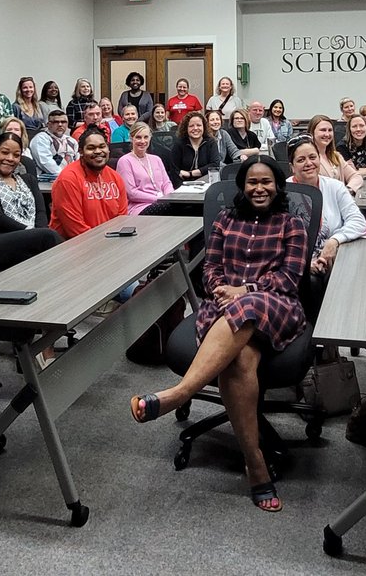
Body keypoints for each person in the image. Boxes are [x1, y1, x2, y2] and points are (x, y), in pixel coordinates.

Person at [129, 156, 308, 513]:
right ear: (242, 186)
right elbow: (210, 267)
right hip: (224, 306)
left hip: (277, 305)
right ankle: (256, 466)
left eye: (267, 182)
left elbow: (290, 279)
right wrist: (221, 289)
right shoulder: (227, 219)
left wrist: (244, 289)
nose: (259, 188)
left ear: (278, 186)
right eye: (252, 182)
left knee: (250, 305)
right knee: (239, 360)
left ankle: (178, 395)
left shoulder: (292, 225)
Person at [0, 133, 62, 271]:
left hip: (34, 236)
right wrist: (31, 231)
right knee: (49, 237)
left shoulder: (29, 179)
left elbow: (41, 211)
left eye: (16, 155)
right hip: (0, 239)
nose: (10, 159)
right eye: (5, 152)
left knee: (45, 245)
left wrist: (38, 231)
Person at [288, 135, 366, 283]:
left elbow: (358, 221)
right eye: (300, 160)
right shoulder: (284, 192)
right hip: (296, 259)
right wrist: (304, 263)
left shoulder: (334, 186)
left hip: (334, 254)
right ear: (291, 166)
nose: (308, 163)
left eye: (312, 157)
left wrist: (334, 241)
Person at [49, 127, 128, 239]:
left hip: (110, 243)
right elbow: (76, 229)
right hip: (74, 247)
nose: (98, 151)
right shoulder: (68, 179)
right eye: (91, 148)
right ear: (81, 151)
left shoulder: (115, 178)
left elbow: (122, 219)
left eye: (102, 146)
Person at [116, 122, 173, 215]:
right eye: (138, 137)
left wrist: (169, 197)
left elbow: (167, 183)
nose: (142, 141)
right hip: (139, 207)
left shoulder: (156, 159)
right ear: (131, 138)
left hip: (163, 201)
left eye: (146, 137)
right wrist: (159, 199)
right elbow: (132, 193)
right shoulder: (125, 161)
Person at [309, 114, 363, 195]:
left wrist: (348, 190)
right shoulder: (309, 160)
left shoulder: (336, 156)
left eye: (330, 130)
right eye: (323, 130)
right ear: (312, 132)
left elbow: (356, 176)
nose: (327, 134)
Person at [170, 111, 222, 187]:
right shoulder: (179, 144)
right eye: (191, 126)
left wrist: (190, 173)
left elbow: (214, 165)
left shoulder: (211, 142)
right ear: (186, 128)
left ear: (204, 127)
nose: (195, 128)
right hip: (184, 186)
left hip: (207, 184)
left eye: (199, 125)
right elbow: (174, 170)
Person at [30, 109, 77, 178]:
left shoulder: (72, 141)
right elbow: (46, 163)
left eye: (63, 122)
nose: (60, 125)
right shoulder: (41, 138)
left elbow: (77, 161)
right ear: (49, 124)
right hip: (47, 182)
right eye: (56, 122)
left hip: (70, 179)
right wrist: (66, 176)